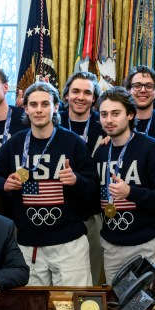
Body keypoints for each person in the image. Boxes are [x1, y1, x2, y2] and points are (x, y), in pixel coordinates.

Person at [0, 80, 97, 286]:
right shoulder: (16, 142)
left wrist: (76, 180)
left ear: (55, 107)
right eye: (33, 105)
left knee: (73, 306)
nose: (39, 110)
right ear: (25, 109)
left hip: (69, 244)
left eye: (45, 104)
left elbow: (93, 188)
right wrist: (4, 183)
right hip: (28, 244)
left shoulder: (73, 142)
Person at [92, 87, 155, 281]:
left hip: (146, 244)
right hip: (112, 243)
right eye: (104, 114)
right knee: (116, 306)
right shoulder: (102, 151)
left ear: (130, 114)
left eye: (116, 113)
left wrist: (131, 192)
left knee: (146, 308)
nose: (109, 120)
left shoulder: (151, 148)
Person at [61, 70, 106, 282]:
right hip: (60, 211)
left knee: (94, 275)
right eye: (75, 91)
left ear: (94, 98)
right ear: (66, 95)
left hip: (93, 210)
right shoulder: (54, 121)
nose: (80, 97)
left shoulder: (106, 124)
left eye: (87, 92)